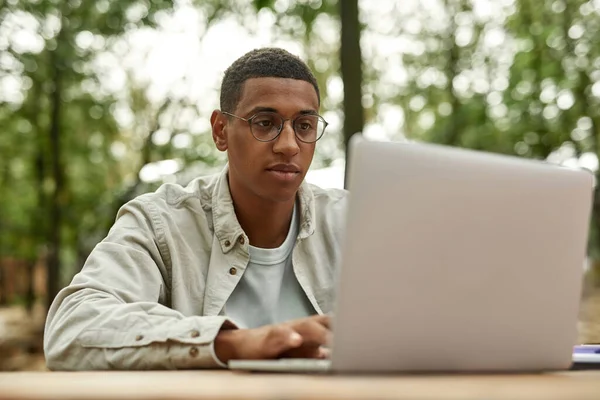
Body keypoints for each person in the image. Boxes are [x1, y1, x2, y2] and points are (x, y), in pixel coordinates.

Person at [44, 47, 348, 370]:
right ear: (220, 131)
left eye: (304, 126)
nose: (288, 145)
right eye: (264, 123)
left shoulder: (353, 222)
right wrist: (232, 343)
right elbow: (72, 327)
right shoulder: (160, 223)